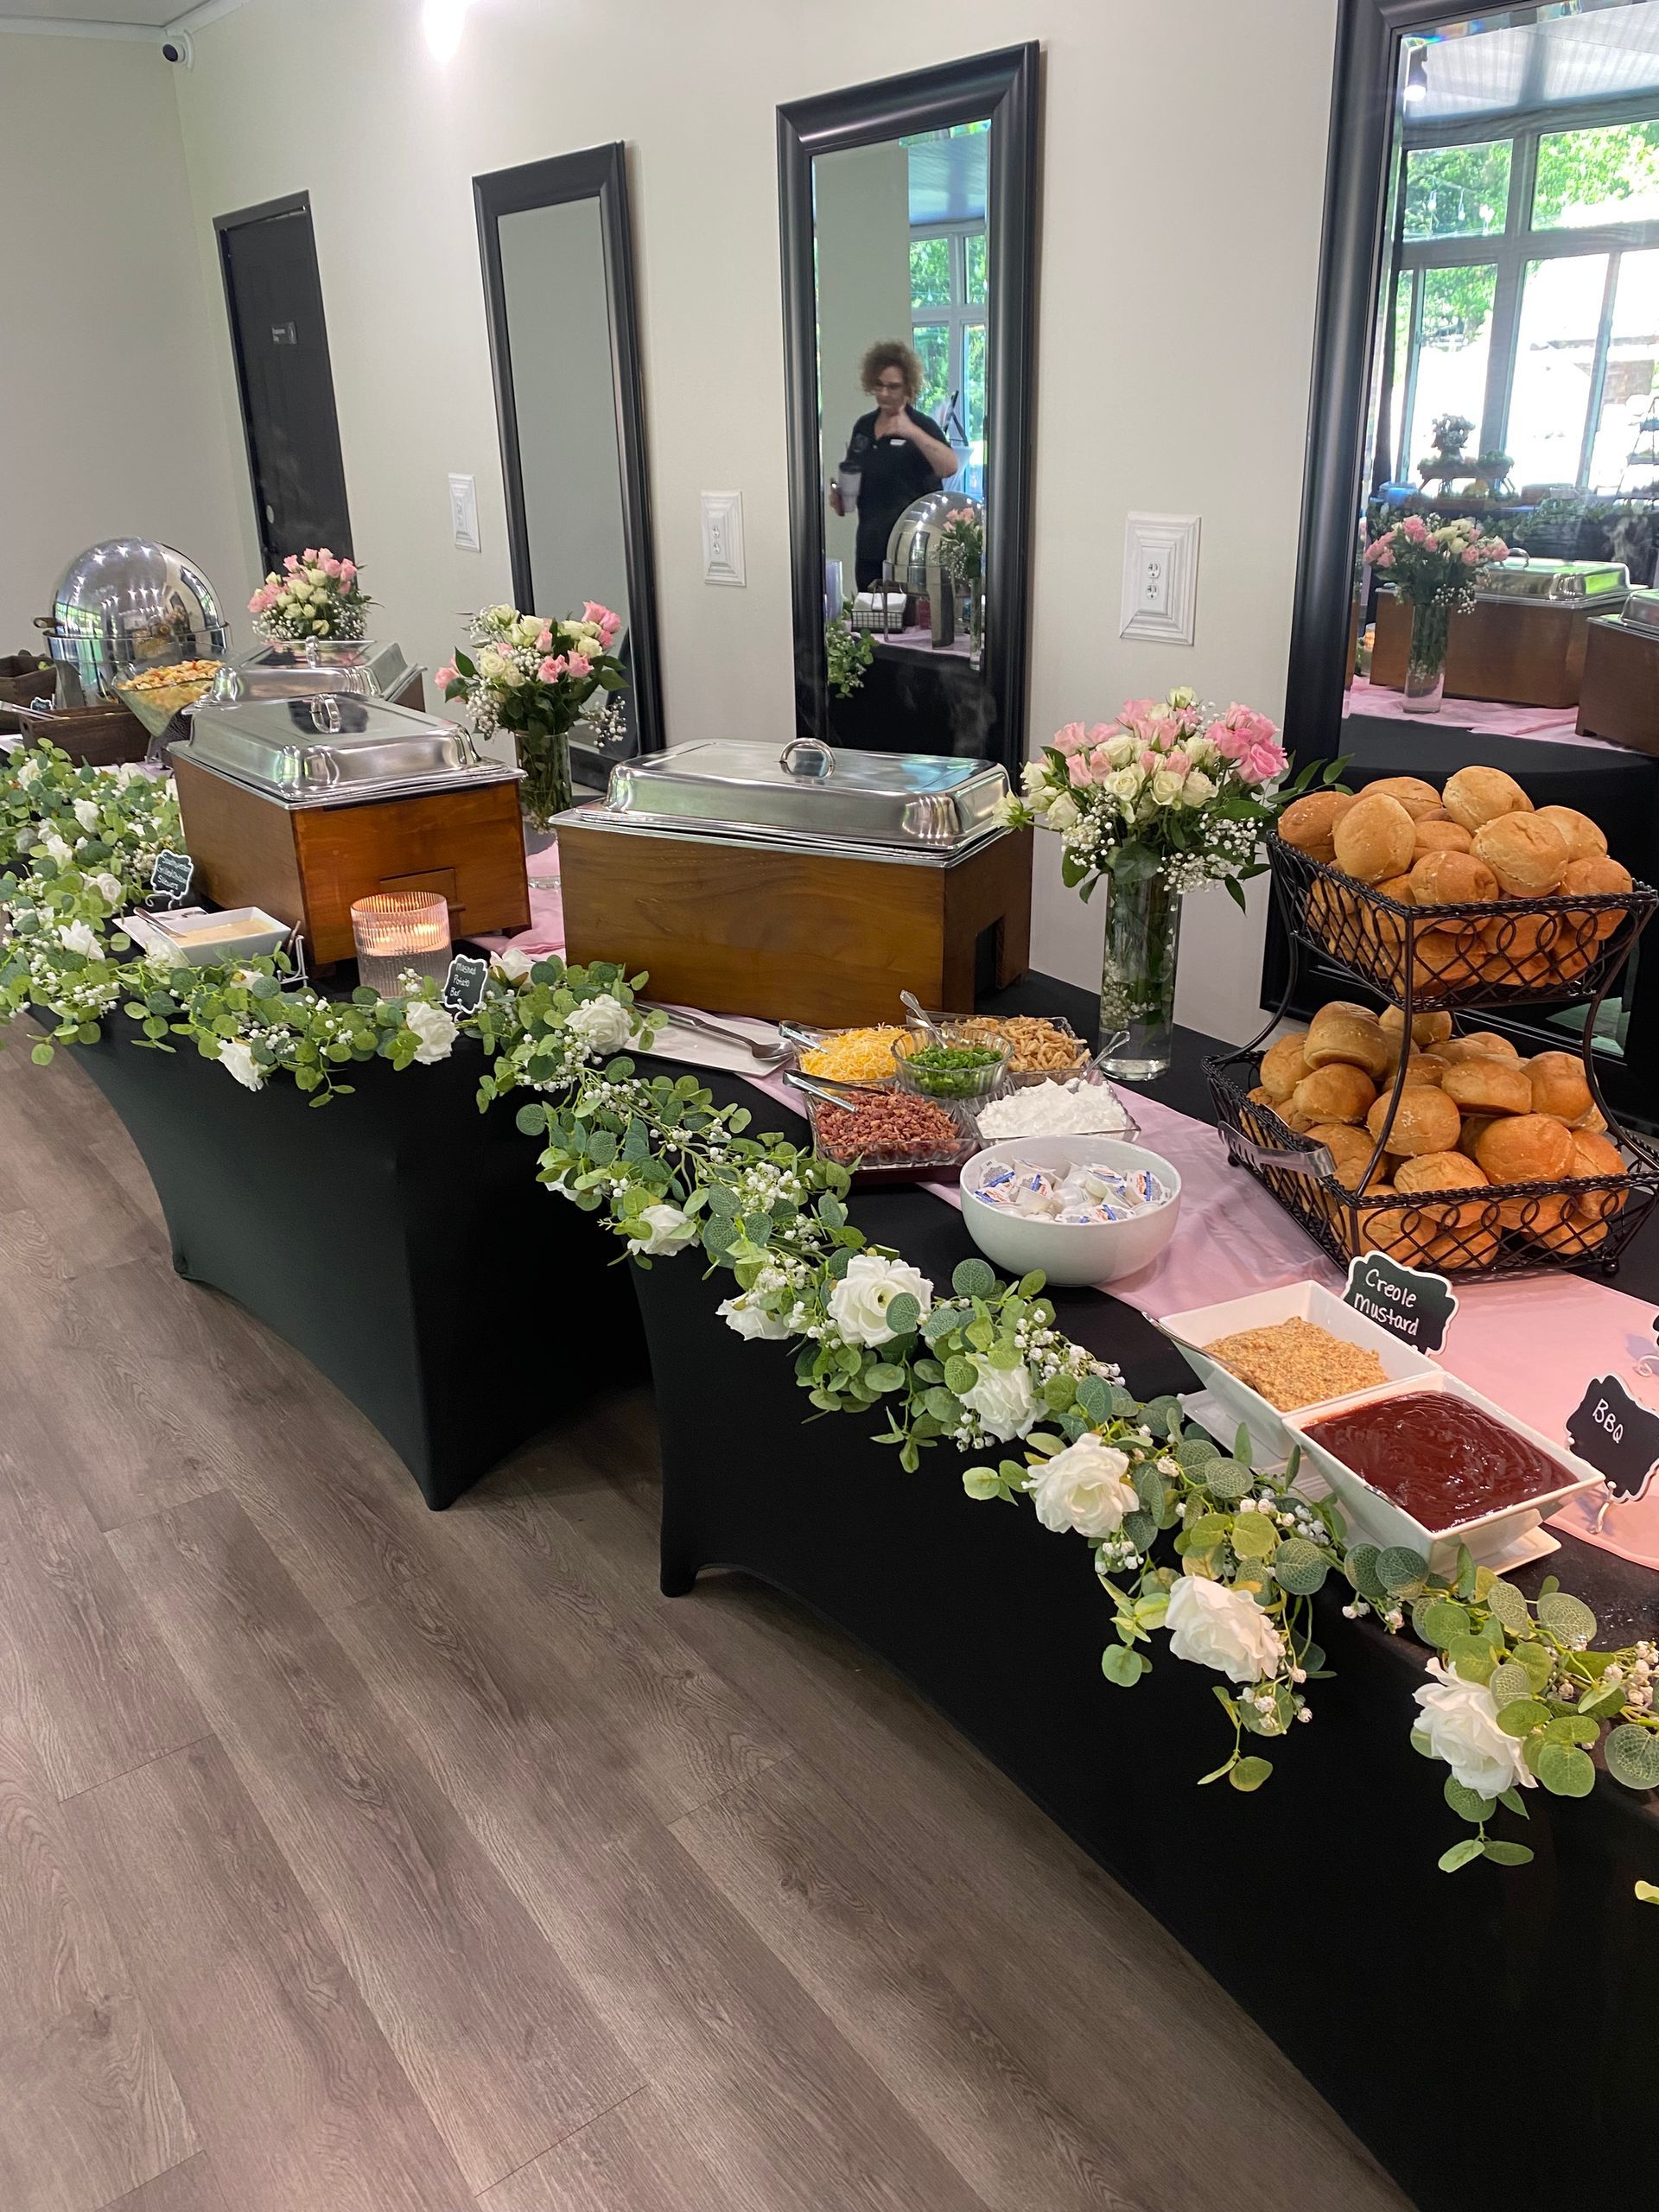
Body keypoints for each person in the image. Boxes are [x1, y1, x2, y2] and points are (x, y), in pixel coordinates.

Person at [830, 340, 963, 590]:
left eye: (893, 387)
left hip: (911, 552)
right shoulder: (864, 426)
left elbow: (950, 466)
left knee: (910, 614)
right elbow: (853, 478)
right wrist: (840, 498)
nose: (884, 393)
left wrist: (910, 431)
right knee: (870, 611)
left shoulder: (921, 426)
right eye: (879, 385)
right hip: (870, 548)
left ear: (907, 388)